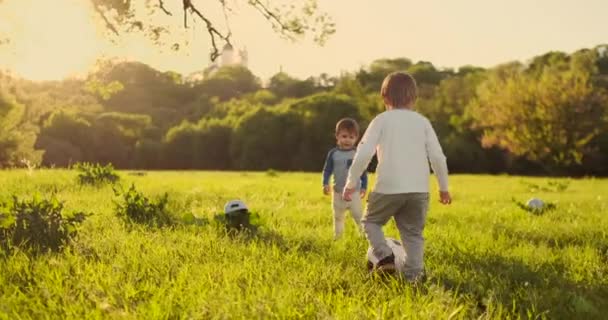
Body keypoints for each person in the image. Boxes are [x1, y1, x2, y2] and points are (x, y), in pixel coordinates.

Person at [342, 72, 452, 281]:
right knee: (412, 234)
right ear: (414, 98)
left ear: (384, 98)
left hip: (387, 187)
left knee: (371, 221)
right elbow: (438, 157)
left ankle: (384, 258)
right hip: (418, 190)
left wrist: (351, 182)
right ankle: (413, 277)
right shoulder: (423, 122)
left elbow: (364, 153)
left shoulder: (381, 120)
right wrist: (443, 187)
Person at [322, 118, 368, 239]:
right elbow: (327, 170)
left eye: (351, 137)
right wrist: (325, 183)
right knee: (338, 217)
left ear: (356, 138)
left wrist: (364, 186)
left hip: (354, 193)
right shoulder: (333, 153)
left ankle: (364, 237)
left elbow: (363, 172)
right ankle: (338, 238)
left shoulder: (357, 153)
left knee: (358, 216)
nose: (347, 140)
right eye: (344, 136)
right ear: (337, 136)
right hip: (337, 192)